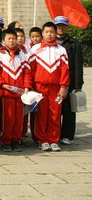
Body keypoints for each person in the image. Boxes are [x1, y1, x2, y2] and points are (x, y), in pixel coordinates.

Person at [30, 22, 69, 152]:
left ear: (55, 33)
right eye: (47, 32)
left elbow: (65, 70)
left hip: (56, 88)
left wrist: (63, 87)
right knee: (41, 114)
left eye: (52, 32)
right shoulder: (35, 49)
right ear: (43, 33)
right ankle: (43, 140)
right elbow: (31, 69)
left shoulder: (61, 50)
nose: (49, 34)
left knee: (55, 114)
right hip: (40, 87)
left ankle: (53, 140)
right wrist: (31, 88)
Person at [0, 29, 32, 152]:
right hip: (6, 92)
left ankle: (16, 140)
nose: (12, 41)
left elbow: (27, 72)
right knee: (8, 118)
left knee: (19, 118)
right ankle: (6, 140)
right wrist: (3, 85)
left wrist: (26, 87)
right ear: (3, 40)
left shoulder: (22, 54)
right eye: (9, 39)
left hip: (20, 92)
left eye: (14, 39)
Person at [55, 16, 84, 145]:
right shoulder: (50, 42)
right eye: (58, 26)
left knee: (68, 110)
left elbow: (78, 65)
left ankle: (67, 135)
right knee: (55, 110)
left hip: (70, 81)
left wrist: (78, 84)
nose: (60, 28)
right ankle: (55, 134)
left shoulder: (74, 43)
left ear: (67, 27)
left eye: (63, 26)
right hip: (55, 81)